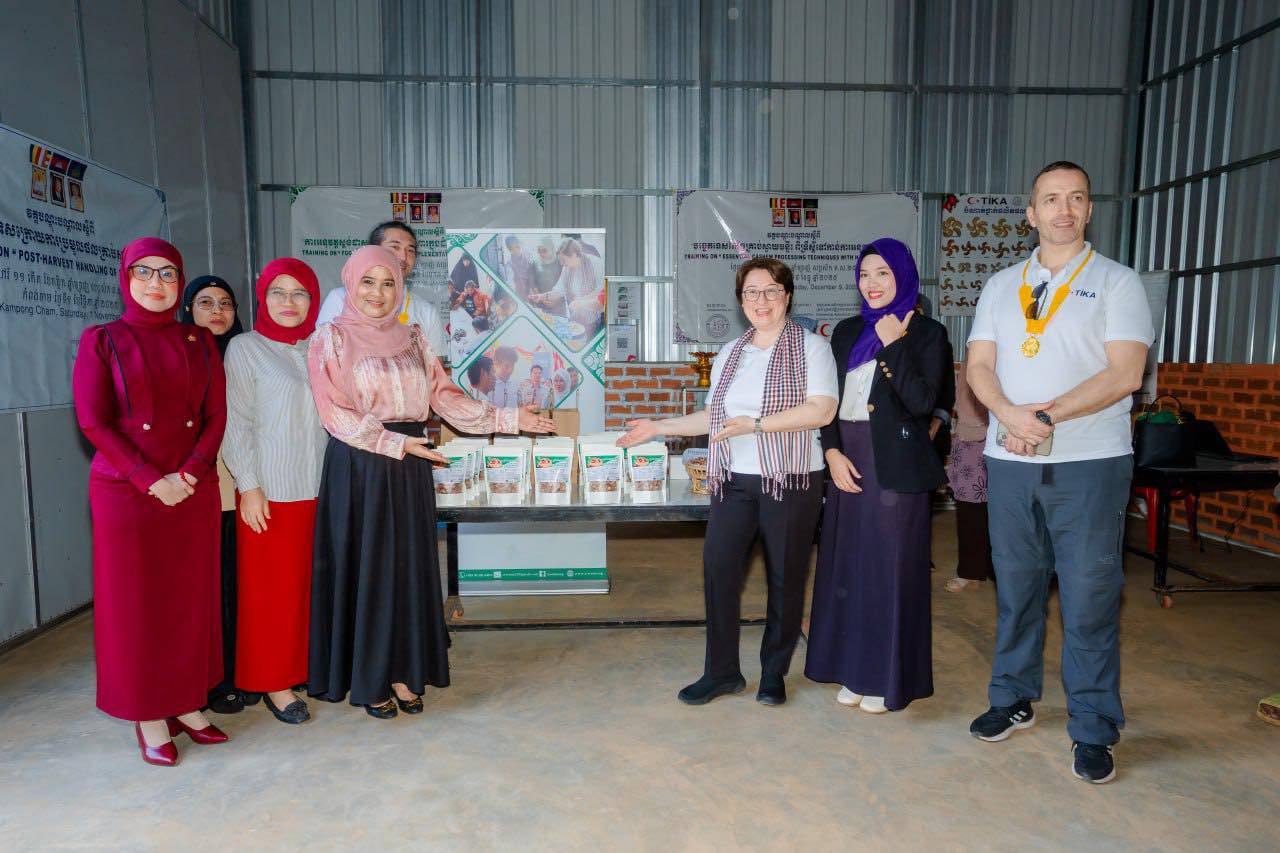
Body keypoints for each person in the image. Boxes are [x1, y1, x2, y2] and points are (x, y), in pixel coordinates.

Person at [965, 161, 1153, 784]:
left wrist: (1044, 416)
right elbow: (979, 366)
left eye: (1075, 198)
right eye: (1050, 199)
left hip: (1089, 462)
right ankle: (1012, 696)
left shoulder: (1118, 282)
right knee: (1016, 588)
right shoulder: (1001, 286)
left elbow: (1125, 373)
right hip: (1010, 461)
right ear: (1032, 213)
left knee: (1089, 596)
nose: (1063, 210)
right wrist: (1007, 414)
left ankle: (1094, 726)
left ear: (1089, 210)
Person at [307, 246, 555, 718]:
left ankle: (404, 669)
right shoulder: (331, 338)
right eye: (368, 283)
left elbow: (444, 397)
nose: (378, 294)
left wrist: (509, 418)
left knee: (407, 569)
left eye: (388, 283)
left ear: (399, 288)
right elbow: (333, 412)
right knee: (372, 571)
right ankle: (371, 676)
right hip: (361, 464)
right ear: (351, 285)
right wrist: (394, 444)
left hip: (411, 465)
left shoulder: (413, 338)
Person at [618, 257, 837, 706]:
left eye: (772, 290)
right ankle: (721, 673)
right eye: (752, 292)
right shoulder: (730, 353)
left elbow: (822, 410)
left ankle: (773, 673)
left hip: (790, 478)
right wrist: (658, 427)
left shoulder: (812, 348)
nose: (762, 300)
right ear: (741, 300)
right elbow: (713, 418)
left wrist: (756, 425)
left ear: (787, 296)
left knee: (785, 576)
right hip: (734, 479)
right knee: (718, 570)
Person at [73, 238, 229, 766]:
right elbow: (93, 421)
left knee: (188, 602)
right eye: (144, 272)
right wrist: (148, 479)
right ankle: (149, 714)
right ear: (126, 278)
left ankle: (186, 704)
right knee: (137, 608)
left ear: (180, 282)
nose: (156, 283)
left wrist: (189, 473)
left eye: (167, 273)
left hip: (191, 488)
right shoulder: (102, 340)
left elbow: (216, 416)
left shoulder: (199, 340)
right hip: (126, 492)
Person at [804, 239, 950, 713]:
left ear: (903, 276)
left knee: (889, 572)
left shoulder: (927, 334)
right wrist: (831, 451)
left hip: (895, 466)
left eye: (883, 273)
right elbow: (826, 400)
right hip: (848, 459)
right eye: (865, 274)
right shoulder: (847, 331)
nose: (872, 283)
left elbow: (922, 402)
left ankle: (885, 678)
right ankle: (853, 667)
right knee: (847, 568)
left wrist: (894, 345)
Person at [222, 258, 326, 726]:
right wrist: (249, 485)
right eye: (277, 292)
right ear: (262, 298)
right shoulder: (246, 348)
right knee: (271, 594)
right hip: (271, 491)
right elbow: (236, 421)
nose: (289, 302)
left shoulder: (320, 347)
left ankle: (303, 667)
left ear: (312, 300)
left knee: (308, 589)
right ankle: (274, 682)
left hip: (320, 486)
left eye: (299, 292)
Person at [179, 275, 247, 715]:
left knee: (237, 587)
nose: (218, 311)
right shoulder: (179, 356)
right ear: (188, 310)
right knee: (202, 591)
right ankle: (208, 682)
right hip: (196, 487)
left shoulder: (247, 353)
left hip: (247, 487)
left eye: (226, 303)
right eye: (206, 303)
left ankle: (239, 674)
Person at [316, 221, 444, 355]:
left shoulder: (427, 312)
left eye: (410, 250)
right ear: (373, 250)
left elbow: (435, 366)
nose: (403, 257)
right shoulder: (339, 298)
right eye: (395, 247)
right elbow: (323, 356)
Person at [945, 358, 995, 591]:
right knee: (970, 509)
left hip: (1015, 436)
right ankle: (970, 570)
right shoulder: (976, 351)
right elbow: (965, 398)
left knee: (1009, 510)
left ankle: (997, 568)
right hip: (974, 439)